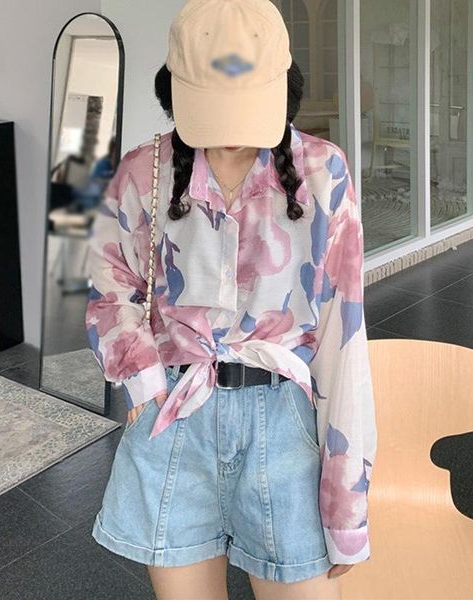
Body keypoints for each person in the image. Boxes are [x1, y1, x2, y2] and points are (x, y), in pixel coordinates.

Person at [85, 1, 377, 598]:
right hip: (176, 416)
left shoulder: (323, 173)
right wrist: (144, 381)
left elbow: (342, 338)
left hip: (284, 426)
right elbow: (109, 285)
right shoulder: (144, 171)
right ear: (175, 90)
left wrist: (346, 502)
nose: (232, 132)